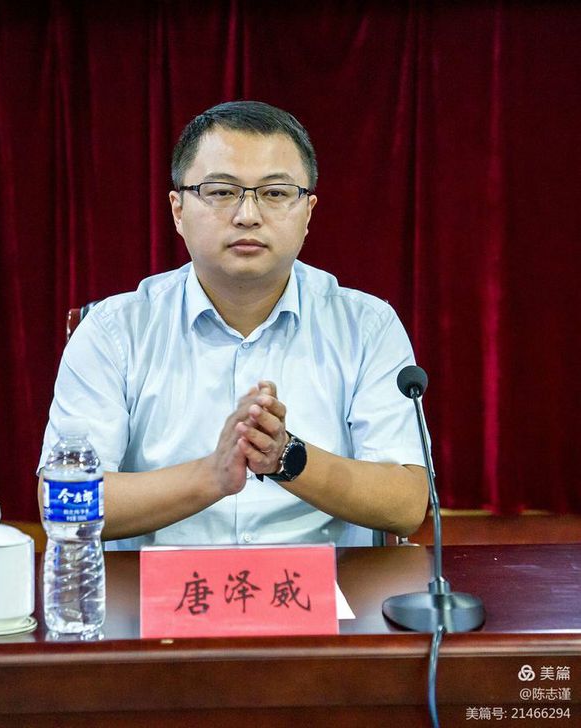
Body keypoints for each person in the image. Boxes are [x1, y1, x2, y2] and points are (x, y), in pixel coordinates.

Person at [38, 100, 428, 550]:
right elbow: (62, 503)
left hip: (326, 588)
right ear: (178, 211)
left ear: (308, 213)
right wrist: (211, 476)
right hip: (158, 589)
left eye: (275, 193)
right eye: (222, 192)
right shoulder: (114, 332)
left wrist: (287, 457)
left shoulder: (367, 327)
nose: (247, 215)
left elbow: (405, 505)